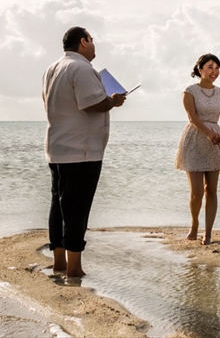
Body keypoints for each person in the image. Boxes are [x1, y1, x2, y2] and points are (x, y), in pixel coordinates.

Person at [42, 26, 126, 277]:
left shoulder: (53, 68)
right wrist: (114, 100)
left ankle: (58, 261)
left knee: (58, 206)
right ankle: (74, 267)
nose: (94, 44)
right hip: (81, 150)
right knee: (77, 209)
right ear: (83, 42)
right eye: (92, 39)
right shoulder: (81, 68)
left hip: (58, 146)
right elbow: (93, 104)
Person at [174, 53, 220, 245]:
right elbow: (192, 117)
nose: (214, 71)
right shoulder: (190, 91)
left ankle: (208, 233)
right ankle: (194, 224)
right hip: (195, 139)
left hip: (215, 141)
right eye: (210, 67)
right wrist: (208, 133)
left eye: (217, 68)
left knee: (212, 190)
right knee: (197, 192)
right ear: (200, 69)